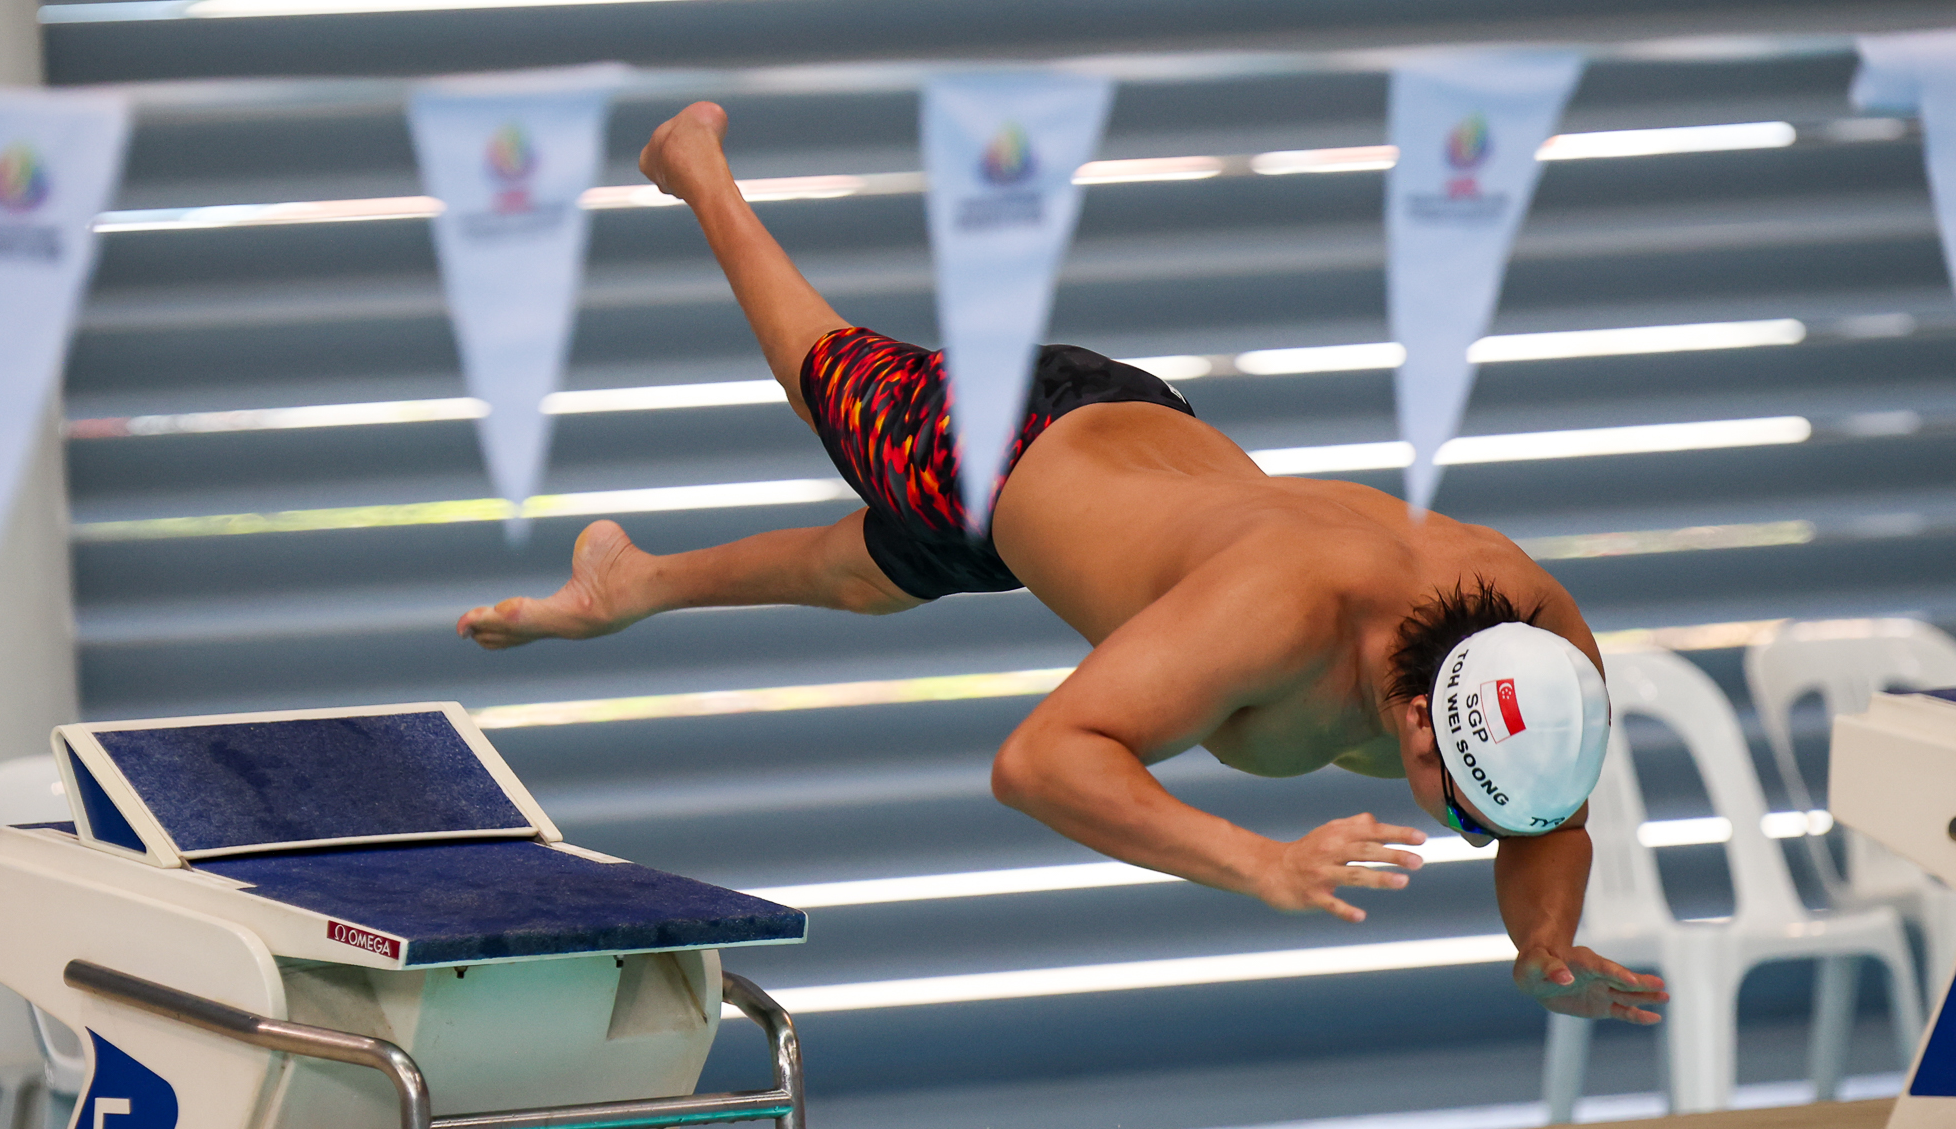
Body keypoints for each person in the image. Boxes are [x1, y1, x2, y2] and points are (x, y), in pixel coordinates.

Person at [460, 101, 1667, 1027]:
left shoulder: (1541, 645)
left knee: (866, 571)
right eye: (1455, 799)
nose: (1468, 823)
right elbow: (1037, 762)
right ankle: (696, 168)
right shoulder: (1272, 619)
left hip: (1136, 464)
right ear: (1415, 714)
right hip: (1008, 451)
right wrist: (1254, 860)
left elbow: (1542, 823)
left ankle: (633, 583)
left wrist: (1541, 946)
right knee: (825, 378)